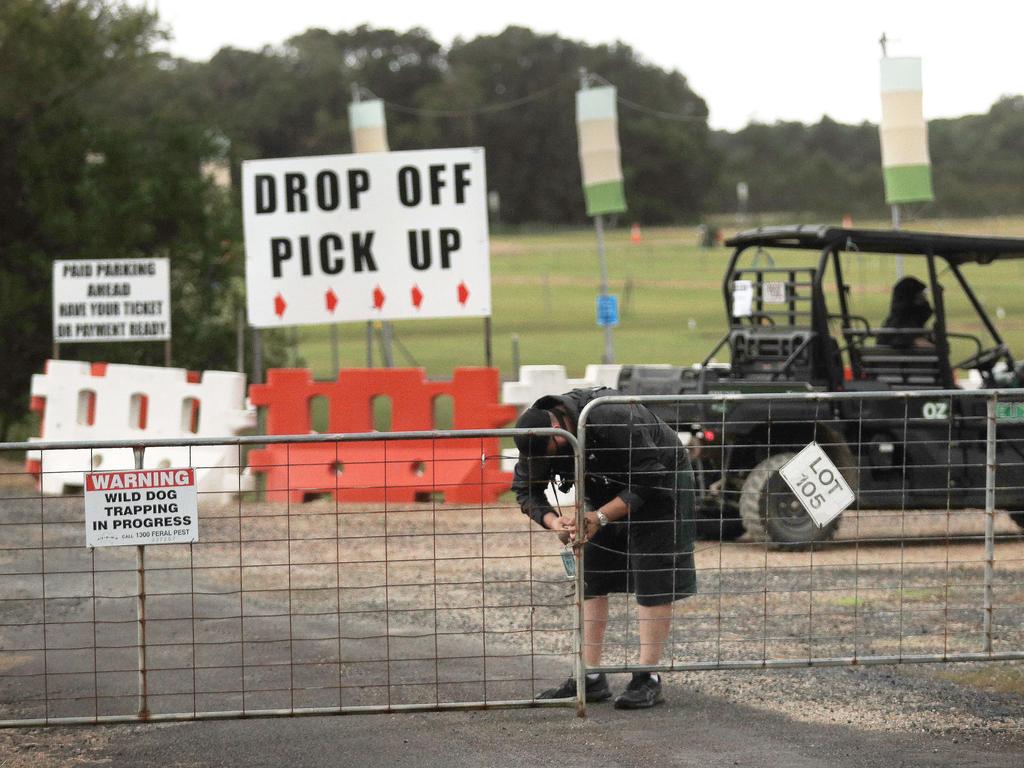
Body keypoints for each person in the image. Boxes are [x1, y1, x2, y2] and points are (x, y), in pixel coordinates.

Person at [512, 387, 697, 709]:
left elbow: (650, 478)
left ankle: (647, 676)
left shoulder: (612, 415)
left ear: (558, 431)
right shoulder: (537, 440)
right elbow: (526, 491)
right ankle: (590, 675)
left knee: (653, 575)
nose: (551, 461)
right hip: (602, 488)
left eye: (553, 453)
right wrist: (554, 522)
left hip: (660, 482)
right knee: (591, 575)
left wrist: (599, 516)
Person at [877, 276, 934, 349]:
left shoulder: (892, 324)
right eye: (921, 295)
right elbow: (921, 343)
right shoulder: (907, 326)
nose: (924, 299)